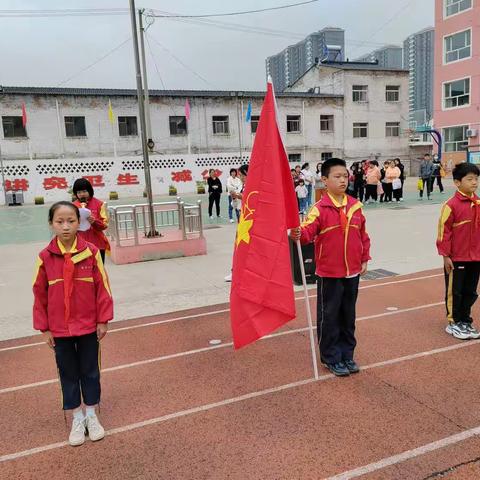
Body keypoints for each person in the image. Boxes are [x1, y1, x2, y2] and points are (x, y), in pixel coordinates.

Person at [32, 201, 113, 447]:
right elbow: (39, 294)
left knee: (90, 371)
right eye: (60, 222)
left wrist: (103, 319)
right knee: (67, 373)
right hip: (59, 328)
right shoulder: (45, 257)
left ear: (80, 223)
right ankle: (77, 417)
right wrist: (44, 327)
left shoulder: (90, 252)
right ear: (51, 224)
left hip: (88, 325)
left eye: (71, 221)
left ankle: (91, 415)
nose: (65, 227)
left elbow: (103, 288)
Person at [289, 158, 371, 377]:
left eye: (345, 176)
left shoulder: (355, 206)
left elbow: (363, 236)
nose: (343, 180)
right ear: (325, 180)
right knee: (330, 315)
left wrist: (364, 258)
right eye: (337, 176)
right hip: (329, 273)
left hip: (352, 271)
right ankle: (331, 357)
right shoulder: (319, 209)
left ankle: (347, 354)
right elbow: (306, 234)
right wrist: (296, 233)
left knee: (348, 315)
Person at [437, 162, 480, 340]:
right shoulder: (451, 205)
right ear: (457, 182)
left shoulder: (478, 203)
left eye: (476, 179)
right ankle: (454, 322)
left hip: (476, 257)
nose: (474, 183)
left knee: (471, 291)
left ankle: (465, 319)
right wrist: (446, 255)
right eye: (469, 179)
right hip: (457, 258)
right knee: (455, 291)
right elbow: (443, 232)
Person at [72, 178, 110, 263]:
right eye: (79, 192)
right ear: (76, 194)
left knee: (99, 271)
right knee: (83, 272)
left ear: (90, 191)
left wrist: (94, 221)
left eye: (84, 191)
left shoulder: (99, 204)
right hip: (79, 245)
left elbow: (105, 225)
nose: (82, 194)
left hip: (97, 244)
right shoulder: (72, 206)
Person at [225, 164, 248, 282]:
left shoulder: (251, 186)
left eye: (242, 175)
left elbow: (250, 200)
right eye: (239, 175)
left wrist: (238, 196)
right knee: (239, 246)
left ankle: (237, 271)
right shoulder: (243, 186)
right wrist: (235, 197)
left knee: (242, 247)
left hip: (248, 221)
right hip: (242, 217)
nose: (240, 177)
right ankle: (235, 271)